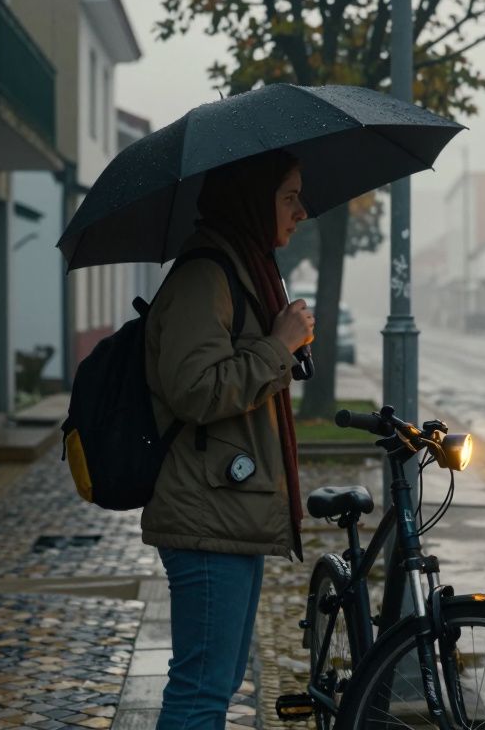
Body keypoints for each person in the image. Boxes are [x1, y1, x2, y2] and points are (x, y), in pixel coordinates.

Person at [141, 148, 313, 728]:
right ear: (250, 197)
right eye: (289, 196)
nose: (301, 211)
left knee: (213, 687)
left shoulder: (241, 269)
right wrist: (277, 345)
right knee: (200, 694)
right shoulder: (205, 275)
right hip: (207, 516)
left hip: (226, 510)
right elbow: (194, 390)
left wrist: (278, 341)